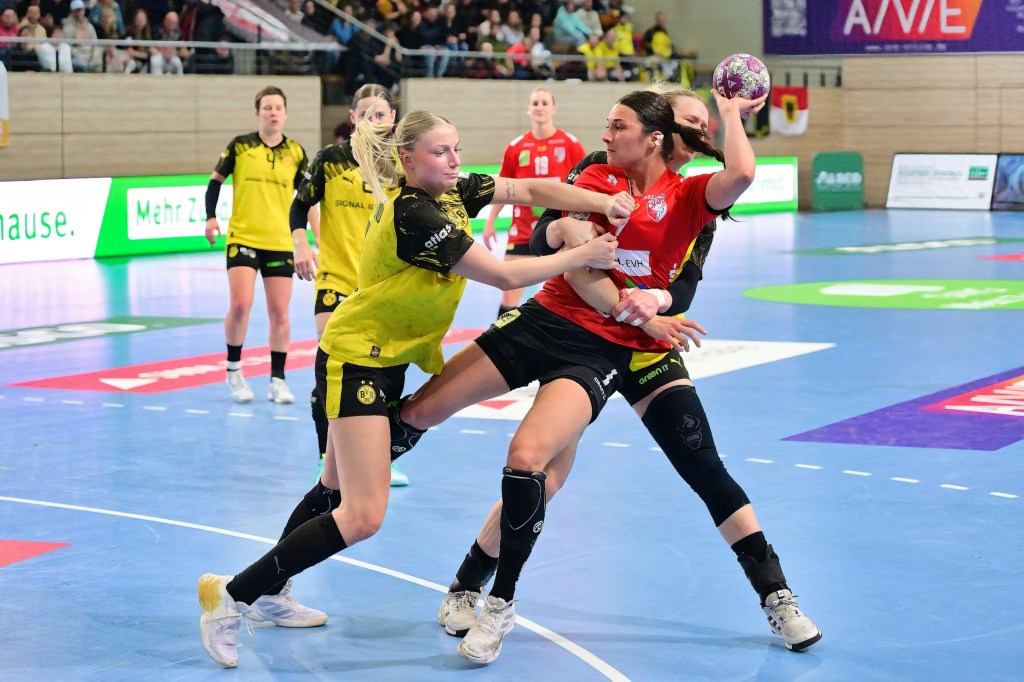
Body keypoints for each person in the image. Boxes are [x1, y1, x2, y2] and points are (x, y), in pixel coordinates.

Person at [196, 103, 635, 669]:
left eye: (456, 149)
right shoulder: (415, 214)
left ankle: (271, 593)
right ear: (406, 160)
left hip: (388, 359)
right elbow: (503, 274)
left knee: (333, 484)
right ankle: (231, 597)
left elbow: (527, 190)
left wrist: (600, 202)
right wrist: (582, 254)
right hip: (356, 359)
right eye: (440, 151)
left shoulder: (452, 192)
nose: (454, 160)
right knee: (363, 514)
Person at [392, 87, 819, 661]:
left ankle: (777, 595)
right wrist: (567, 236)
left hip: (644, 346)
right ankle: (467, 580)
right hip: (581, 326)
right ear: (664, 131)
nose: (697, 134)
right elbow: (545, 234)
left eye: (703, 124)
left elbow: (684, 285)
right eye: (688, 121)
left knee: (704, 468)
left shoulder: (695, 196)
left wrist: (655, 302)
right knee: (539, 472)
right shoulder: (600, 171)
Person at [288, 84, 410, 487]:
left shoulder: (399, 165)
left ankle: (381, 458)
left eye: (382, 114)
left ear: (392, 119)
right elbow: (299, 206)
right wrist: (301, 242)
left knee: (384, 374)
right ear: (353, 118)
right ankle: (328, 461)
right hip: (337, 281)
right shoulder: (330, 160)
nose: (374, 120)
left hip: (383, 286)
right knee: (331, 367)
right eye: (366, 113)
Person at [204, 86, 316, 405]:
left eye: (278, 107)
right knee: (241, 305)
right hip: (243, 237)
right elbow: (214, 182)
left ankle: (277, 380)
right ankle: (234, 370)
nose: (273, 112)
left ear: (285, 113)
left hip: (279, 241)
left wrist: (315, 241)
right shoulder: (240, 146)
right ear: (257, 113)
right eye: (267, 107)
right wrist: (210, 218)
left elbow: (307, 200)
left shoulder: (296, 152)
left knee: (279, 312)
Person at [480, 87, 586, 320]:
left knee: (565, 296)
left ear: (554, 108)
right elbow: (503, 187)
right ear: (528, 109)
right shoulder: (516, 147)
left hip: (558, 231)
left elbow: (585, 186)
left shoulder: (570, 144)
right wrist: (490, 222)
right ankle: (503, 339)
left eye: (544, 103)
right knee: (509, 291)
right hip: (523, 232)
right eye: (535, 103)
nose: (540, 107)